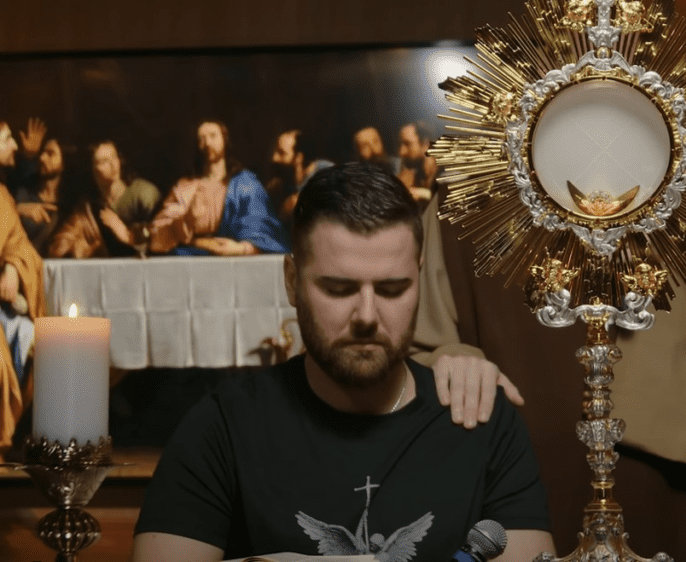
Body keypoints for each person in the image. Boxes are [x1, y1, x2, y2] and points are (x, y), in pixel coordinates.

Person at [131, 162, 553, 561]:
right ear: (292, 282)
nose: (367, 315)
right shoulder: (221, 428)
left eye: (392, 289)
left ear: (419, 278)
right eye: (338, 289)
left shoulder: (484, 423)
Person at [415, 193, 686, 561]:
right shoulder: (465, 199)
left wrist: (644, 268)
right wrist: (450, 362)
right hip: (511, 510)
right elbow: (414, 353)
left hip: (662, 508)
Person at [149, 120, 288, 256]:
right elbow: (158, 235)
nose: (207, 143)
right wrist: (188, 220)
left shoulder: (246, 184)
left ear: (225, 141)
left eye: (213, 136)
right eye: (201, 139)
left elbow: (263, 229)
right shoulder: (184, 187)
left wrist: (241, 248)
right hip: (192, 256)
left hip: (235, 257)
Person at [0, 121, 46, 458]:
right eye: (6, 139)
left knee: (37, 340)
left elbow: (20, 245)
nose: (14, 146)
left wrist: (15, 265)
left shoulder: (2, 195)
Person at [48, 140, 161, 258]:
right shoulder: (88, 208)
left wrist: (127, 235)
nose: (113, 164)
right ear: (92, 169)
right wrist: (78, 248)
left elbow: (161, 243)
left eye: (114, 157)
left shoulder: (144, 194)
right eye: (104, 161)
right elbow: (58, 247)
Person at [265, 129, 333, 229]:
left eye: (281, 153)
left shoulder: (327, 176)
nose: (274, 158)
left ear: (299, 158)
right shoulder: (279, 185)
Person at [15, 137, 71, 254]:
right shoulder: (24, 194)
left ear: (63, 163)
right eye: (42, 152)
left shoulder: (71, 202)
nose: (42, 158)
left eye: (50, 154)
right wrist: (18, 210)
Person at [396, 121, 438, 205]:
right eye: (401, 145)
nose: (401, 152)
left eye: (407, 144)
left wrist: (421, 193)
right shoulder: (417, 176)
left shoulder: (448, 172)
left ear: (425, 143)